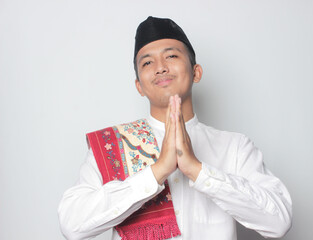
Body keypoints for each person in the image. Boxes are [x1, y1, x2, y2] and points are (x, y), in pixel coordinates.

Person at [58, 16, 292, 240]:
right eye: (148, 62)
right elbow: (72, 225)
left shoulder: (235, 147)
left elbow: (279, 222)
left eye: (171, 56)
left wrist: (197, 170)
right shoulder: (111, 145)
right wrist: (157, 171)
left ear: (196, 72)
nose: (160, 67)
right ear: (139, 86)